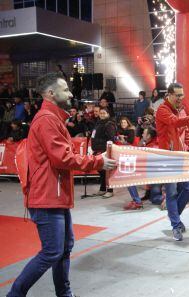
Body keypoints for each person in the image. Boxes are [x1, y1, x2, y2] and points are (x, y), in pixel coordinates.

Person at [7, 72, 116, 297]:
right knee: (52, 252)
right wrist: (98, 161)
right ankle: (14, 294)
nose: (69, 93)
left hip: (54, 195)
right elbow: (62, 158)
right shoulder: (47, 119)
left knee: (63, 249)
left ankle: (64, 293)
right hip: (47, 197)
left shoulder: (54, 118)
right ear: (50, 93)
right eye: (65, 89)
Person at [155, 82, 189, 241]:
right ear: (169, 95)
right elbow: (176, 123)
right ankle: (176, 225)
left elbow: (185, 133)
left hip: (181, 157)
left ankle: (174, 217)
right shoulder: (162, 110)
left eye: (182, 95)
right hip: (168, 158)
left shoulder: (180, 110)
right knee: (171, 192)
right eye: (178, 95)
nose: (180, 98)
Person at [91, 107, 117, 198]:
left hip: (104, 151)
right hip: (97, 150)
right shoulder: (98, 123)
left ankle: (110, 190)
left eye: (104, 113)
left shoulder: (109, 124)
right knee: (101, 171)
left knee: (107, 171)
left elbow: (111, 138)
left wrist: (107, 152)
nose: (102, 115)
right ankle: (102, 189)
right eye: (101, 113)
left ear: (108, 114)